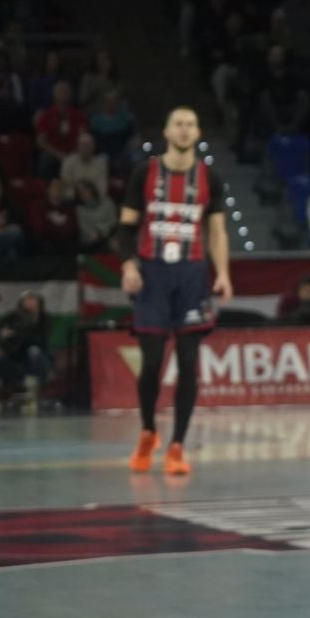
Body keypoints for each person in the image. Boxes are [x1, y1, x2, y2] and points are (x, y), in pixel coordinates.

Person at [118, 106, 234, 476]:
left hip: (192, 276)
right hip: (152, 275)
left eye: (190, 125)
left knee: (188, 363)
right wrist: (128, 264)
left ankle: (178, 445)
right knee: (152, 362)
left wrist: (224, 273)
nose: (184, 130)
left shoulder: (210, 178)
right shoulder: (144, 173)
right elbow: (124, 228)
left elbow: (216, 231)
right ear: (167, 132)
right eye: (178, 124)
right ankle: (149, 430)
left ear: (198, 132)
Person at [0, 290, 53, 414]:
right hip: (12, 357)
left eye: (33, 299)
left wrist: (16, 334)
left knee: (33, 351)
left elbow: (38, 340)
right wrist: (1, 344)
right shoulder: (11, 317)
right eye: (27, 299)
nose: (30, 302)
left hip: (33, 361)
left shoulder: (44, 319)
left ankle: (32, 396)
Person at [74, 179, 119, 252]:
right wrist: (93, 233)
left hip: (109, 233)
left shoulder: (107, 202)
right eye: (81, 192)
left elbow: (113, 221)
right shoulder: (79, 209)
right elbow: (83, 226)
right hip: (89, 237)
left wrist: (99, 231)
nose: (84, 193)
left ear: (92, 190)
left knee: (115, 243)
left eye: (86, 190)